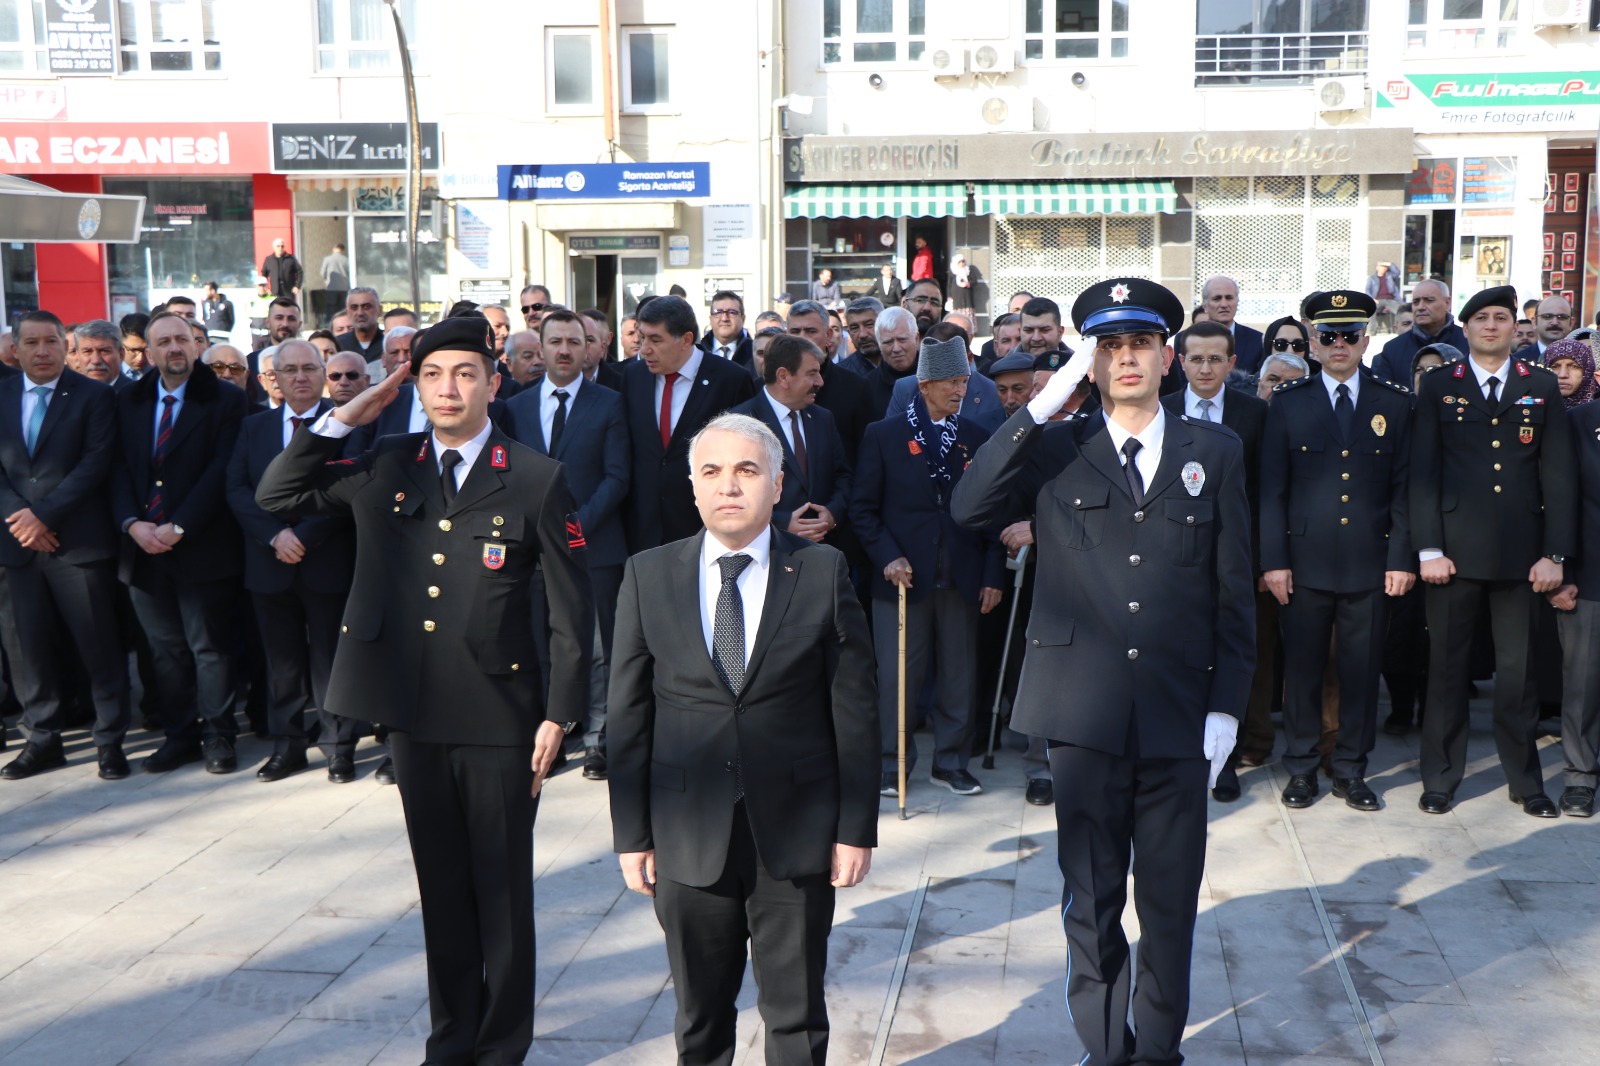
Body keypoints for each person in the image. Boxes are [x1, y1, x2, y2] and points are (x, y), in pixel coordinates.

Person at [256, 316, 594, 1065]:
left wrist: (561, 714)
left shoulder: (535, 476)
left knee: (501, 894)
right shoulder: (386, 463)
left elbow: (573, 611)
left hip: (502, 715)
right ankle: (451, 1040)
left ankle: (500, 1047)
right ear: (414, 386)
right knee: (441, 887)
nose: (449, 389)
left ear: (493, 384)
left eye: (466, 374)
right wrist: (347, 414)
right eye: (433, 374)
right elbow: (278, 493)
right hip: (412, 711)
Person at [951, 277, 1253, 1066]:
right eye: (1109, 346)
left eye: (1141, 344)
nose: (1126, 359)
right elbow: (970, 507)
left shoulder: (1215, 452)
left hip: (1178, 713)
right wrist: (1040, 407)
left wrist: (1227, 706)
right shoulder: (1058, 448)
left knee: (1170, 902)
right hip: (1081, 716)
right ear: (1090, 360)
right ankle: (1106, 1048)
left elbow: (1233, 591)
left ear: (1167, 357)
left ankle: (1157, 1052)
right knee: (1090, 901)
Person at [607, 411, 877, 1066]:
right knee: (699, 1018)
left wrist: (854, 828)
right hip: (686, 834)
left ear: (778, 485)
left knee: (795, 1016)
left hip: (796, 832)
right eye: (712, 471)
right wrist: (632, 835)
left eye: (747, 470)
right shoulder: (647, 574)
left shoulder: (821, 571)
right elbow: (627, 714)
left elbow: (854, 709)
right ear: (693, 487)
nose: (728, 485)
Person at [1411, 286, 1576, 818]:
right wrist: (1428, 548)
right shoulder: (1441, 385)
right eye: (1480, 317)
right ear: (1464, 328)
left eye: (1501, 317)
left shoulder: (1540, 383)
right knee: (1446, 672)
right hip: (1453, 556)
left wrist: (1555, 554)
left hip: (1522, 556)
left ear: (1513, 326)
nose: (1490, 325)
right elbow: (1422, 474)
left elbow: (1558, 475)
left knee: (1519, 676)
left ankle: (1526, 781)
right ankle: (1440, 777)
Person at [1258, 291, 1416, 813]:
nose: (1339, 344)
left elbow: (1404, 489)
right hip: (1304, 564)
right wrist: (1274, 561)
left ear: (1366, 340)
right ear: (1313, 343)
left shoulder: (1394, 402)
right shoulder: (1289, 401)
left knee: (1361, 673)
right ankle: (1302, 768)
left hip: (1371, 564)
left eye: (1350, 335)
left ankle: (1350, 769)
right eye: (1329, 336)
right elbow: (1273, 491)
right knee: (1302, 671)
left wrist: (1401, 559)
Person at [851, 334, 1004, 797]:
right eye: (951, 383)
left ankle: (951, 761)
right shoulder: (884, 435)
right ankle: (891, 762)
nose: (961, 391)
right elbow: (863, 510)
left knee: (959, 673)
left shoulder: (976, 437)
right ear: (925, 386)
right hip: (902, 576)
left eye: (964, 381)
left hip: (961, 573)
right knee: (898, 676)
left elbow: (992, 512)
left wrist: (993, 575)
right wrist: (887, 556)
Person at [112, 311, 249, 774]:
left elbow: (222, 469)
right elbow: (116, 468)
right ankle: (180, 735)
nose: (174, 348)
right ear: (148, 352)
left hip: (202, 544)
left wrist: (180, 525)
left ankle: (219, 735)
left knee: (209, 647)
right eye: (164, 342)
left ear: (195, 345)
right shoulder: (128, 399)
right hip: (143, 546)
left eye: (182, 339)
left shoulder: (226, 399)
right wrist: (132, 523)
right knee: (164, 650)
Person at [0, 311, 128, 781]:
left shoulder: (94, 396)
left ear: (64, 346)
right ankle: (42, 739)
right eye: (31, 342)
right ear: (16, 349)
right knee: (27, 649)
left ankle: (110, 741)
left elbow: (96, 463)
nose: (42, 351)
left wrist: (45, 516)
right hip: (18, 544)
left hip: (78, 545)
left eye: (51, 341)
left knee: (99, 647)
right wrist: (23, 519)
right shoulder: (2, 394)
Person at [224, 339, 360, 783]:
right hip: (270, 562)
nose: (300, 377)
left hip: (326, 558)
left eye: (309, 368)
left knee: (331, 660)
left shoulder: (346, 423)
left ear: (323, 374)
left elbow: (352, 489)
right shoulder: (254, 427)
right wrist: (274, 535)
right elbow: (237, 489)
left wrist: (303, 535)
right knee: (281, 664)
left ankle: (339, 747)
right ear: (274, 379)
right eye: (289, 370)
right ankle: (288, 746)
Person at [504, 310, 630, 782]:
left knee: (597, 648)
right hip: (530, 551)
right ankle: (550, 739)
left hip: (593, 548)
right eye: (555, 341)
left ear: (588, 348)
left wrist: (575, 528)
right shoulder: (515, 407)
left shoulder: (610, 403)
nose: (564, 350)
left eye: (574, 342)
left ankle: (598, 739)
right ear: (540, 348)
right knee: (539, 646)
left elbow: (617, 477)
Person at [1160, 319, 1267, 802]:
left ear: (1232, 363)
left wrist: (1262, 560)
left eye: (1215, 359)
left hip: (1233, 555)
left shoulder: (1254, 413)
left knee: (1229, 654)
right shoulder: (1159, 410)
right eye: (1196, 359)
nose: (1205, 368)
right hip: (1172, 558)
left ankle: (1225, 761)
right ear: (1180, 362)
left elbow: (1265, 491)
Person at [620, 295, 756, 552]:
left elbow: (747, 455)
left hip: (706, 529)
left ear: (686, 340)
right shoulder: (633, 376)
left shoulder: (730, 379)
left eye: (655, 340)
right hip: (643, 531)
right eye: (642, 337)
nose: (644, 349)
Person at [731, 334, 851, 545]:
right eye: (812, 373)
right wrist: (782, 523)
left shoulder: (823, 418)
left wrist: (833, 513)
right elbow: (732, 491)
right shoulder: (740, 424)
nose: (820, 381)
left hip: (823, 550)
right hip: (768, 549)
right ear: (783, 376)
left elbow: (843, 476)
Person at [1549, 337, 1600, 817]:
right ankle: (1580, 776)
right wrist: (1561, 569)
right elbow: (1561, 502)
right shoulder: (1580, 422)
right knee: (1583, 685)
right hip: (1589, 576)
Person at [1371, 279, 1467, 386]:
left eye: (1429, 300)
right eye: (1415, 302)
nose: (1420, 307)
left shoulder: (1469, 343)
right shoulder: (1392, 349)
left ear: (1447, 303)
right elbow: (1383, 392)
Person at [700, 290, 753, 373]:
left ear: (743, 319)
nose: (724, 318)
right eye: (718, 312)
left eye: (732, 312)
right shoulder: (698, 353)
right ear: (711, 319)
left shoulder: (754, 353)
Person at [69, 320, 129, 389]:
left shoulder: (137, 394)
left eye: (104, 351)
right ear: (78, 355)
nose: (96, 361)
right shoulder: (67, 393)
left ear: (121, 355)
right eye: (87, 351)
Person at [1516, 295, 1575, 363]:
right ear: (1534, 322)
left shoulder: (1581, 360)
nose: (1555, 322)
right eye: (1547, 316)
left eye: (1562, 317)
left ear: (1571, 323)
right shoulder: (1517, 361)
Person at [334, 287, 384, 365]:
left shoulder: (389, 344)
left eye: (366, 307)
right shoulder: (337, 345)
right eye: (354, 308)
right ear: (347, 312)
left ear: (379, 310)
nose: (360, 313)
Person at [837, 296, 883, 377]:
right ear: (849, 333)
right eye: (855, 328)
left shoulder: (903, 364)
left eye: (869, 325)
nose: (862, 334)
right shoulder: (840, 374)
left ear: (884, 325)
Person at [1547, 335, 1596, 408]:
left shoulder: (1596, 410)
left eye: (1574, 366)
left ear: (1587, 372)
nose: (1562, 375)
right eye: (1555, 367)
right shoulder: (1534, 409)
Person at [1365, 262, 1400, 332]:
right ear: (1377, 268)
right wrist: (1372, 299)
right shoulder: (1372, 278)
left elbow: (1397, 272)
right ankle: (1373, 330)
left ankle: (1398, 329)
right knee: (1371, 310)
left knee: (1400, 311)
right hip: (1377, 300)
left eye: (1385, 267)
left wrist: (1389, 264)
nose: (1384, 268)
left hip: (1389, 299)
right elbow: (1367, 290)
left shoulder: (1389, 276)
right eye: (1382, 267)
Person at [319, 243, 350, 323]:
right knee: (342, 308)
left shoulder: (327, 259)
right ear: (342, 250)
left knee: (330, 308)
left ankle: (330, 325)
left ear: (334, 249)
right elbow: (349, 272)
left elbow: (322, 272)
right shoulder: (346, 259)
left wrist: (327, 281)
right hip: (343, 287)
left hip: (331, 287)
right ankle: (342, 324)